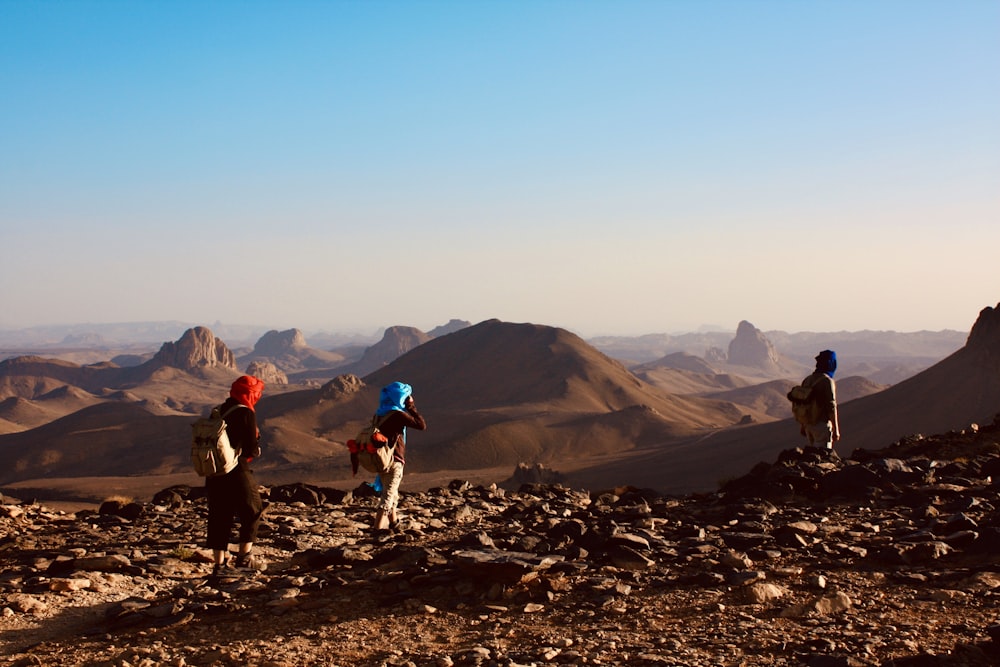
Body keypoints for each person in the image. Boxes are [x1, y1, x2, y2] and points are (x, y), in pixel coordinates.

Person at [206, 374, 267, 575]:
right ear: (251, 393)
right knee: (253, 509)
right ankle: (244, 558)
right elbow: (250, 448)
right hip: (237, 470)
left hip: (214, 472)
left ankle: (219, 566)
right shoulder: (245, 412)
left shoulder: (219, 410)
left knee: (219, 515)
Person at [371, 381, 426, 531]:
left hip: (382, 459)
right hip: (394, 460)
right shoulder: (397, 415)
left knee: (392, 492)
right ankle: (376, 529)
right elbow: (421, 425)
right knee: (388, 495)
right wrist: (411, 407)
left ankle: (394, 524)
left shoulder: (380, 413)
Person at [797, 350, 840, 450]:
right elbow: (831, 407)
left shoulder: (807, 380)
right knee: (823, 456)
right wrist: (836, 429)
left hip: (808, 425)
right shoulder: (827, 381)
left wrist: (803, 426)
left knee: (812, 456)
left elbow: (803, 404)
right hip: (821, 425)